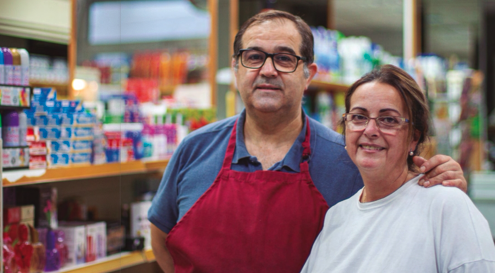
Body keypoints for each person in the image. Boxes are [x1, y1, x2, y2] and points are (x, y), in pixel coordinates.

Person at [148, 10, 468, 273]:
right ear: (235, 68)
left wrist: (439, 178)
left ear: (309, 74)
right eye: (254, 56)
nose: (268, 70)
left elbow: (399, 219)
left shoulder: (350, 159)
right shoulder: (194, 148)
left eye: (285, 59)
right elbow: (162, 240)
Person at [301, 65, 495, 273]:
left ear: (413, 138)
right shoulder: (337, 217)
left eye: (388, 120)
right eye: (358, 117)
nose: (370, 130)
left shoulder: (445, 206)